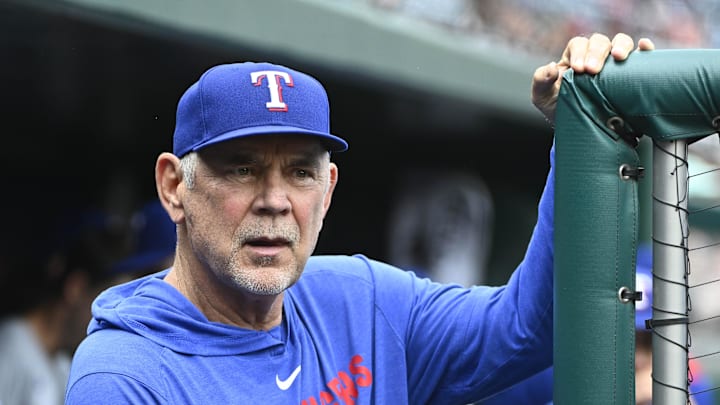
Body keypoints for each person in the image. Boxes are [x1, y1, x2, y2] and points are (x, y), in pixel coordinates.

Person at [65, 33, 655, 404]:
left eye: (299, 172)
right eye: (242, 169)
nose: (275, 200)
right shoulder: (125, 375)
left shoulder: (363, 301)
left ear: (328, 189)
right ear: (175, 188)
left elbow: (533, 324)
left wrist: (583, 141)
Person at [476, 244, 716, 405]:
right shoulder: (550, 366)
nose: (638, 357)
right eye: (626, 340)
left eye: (648, 341)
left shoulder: (686, 375)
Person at [0, 208, 127, 405]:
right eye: (105, 300)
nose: (111, 314)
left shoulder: (62, 365)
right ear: (75, 289)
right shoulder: (9, 350)